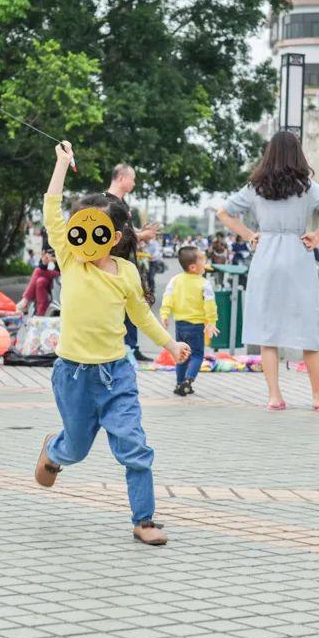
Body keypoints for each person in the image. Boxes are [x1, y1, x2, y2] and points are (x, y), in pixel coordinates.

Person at [34, 142, 190, 546]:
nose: (85, 236)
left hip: (117, 374)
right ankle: (53, 451)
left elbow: (140, 316)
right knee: (77, 449)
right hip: (73, 376)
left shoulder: (124, 273)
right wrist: (60, 166)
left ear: (116, 236)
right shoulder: (69, 258)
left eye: (96, 230)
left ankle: (144, 519)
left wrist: (170, 345)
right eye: (80, 227)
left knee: (134, 446)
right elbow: (51, 209)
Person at [217, 130, 319, 412]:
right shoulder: (306, 186)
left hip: (265, 255)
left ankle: (274, 397)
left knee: (268, 330)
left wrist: (249, 234)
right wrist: (318, 234)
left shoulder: (255, 187)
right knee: (308, 327)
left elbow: (223, 213)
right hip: (297, 255)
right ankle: (318, 396)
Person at [105, 163, 160, 361]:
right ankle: (124, 347)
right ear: (121, 177)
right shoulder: (107, 203)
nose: (134, 182)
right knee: (120, 306)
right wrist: (142, 235)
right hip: (113, 264)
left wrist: (141, 234)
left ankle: (132, 346)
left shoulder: (123, 204)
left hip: (127, 263)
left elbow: (129, 231)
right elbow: (118, 234)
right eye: (133, 178)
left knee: (133, 304)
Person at [160, 246, 220, 396]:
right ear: (193, 267)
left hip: (180, 324)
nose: (205, 261)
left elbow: (167, 297)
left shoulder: (175, 280)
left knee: (181, 354)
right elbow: (210, 304)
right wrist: (211, 321)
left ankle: (179, 383)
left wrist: (165, 314)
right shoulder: (203, 283)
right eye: (202, 259)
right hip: (196, 326)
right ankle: (188, 380)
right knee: (197, 355)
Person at [16, 249, 60, 316]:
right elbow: (41, 266)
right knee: (40, 281)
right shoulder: (48, 244)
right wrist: (44, 263)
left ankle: (25, 301)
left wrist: (55, 260)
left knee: (37, 271)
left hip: (61, 275)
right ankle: (40, 314)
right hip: (50, 277)